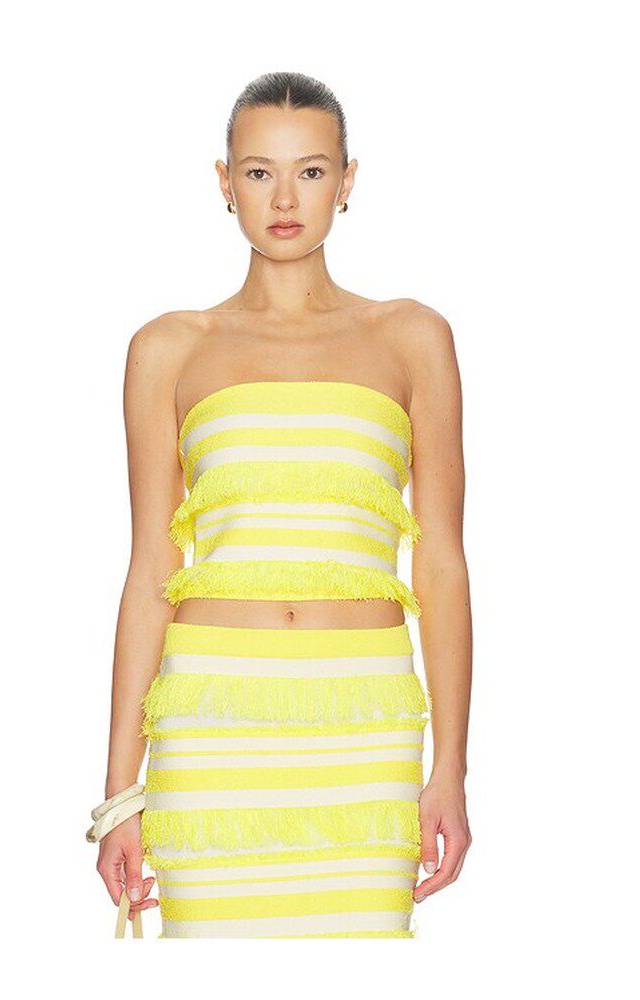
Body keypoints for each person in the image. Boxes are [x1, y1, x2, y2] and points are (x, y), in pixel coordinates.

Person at [88, 71, 473, 939]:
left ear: (347, 179)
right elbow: (150, 571)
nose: (286, 198)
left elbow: (443, 564)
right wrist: (120, 792)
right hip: (212, 719)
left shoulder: (412, 338)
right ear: (225, 182)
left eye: (311, 171)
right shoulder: (168, 348)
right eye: (260, 172)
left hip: (364, 719)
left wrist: (450, 767)